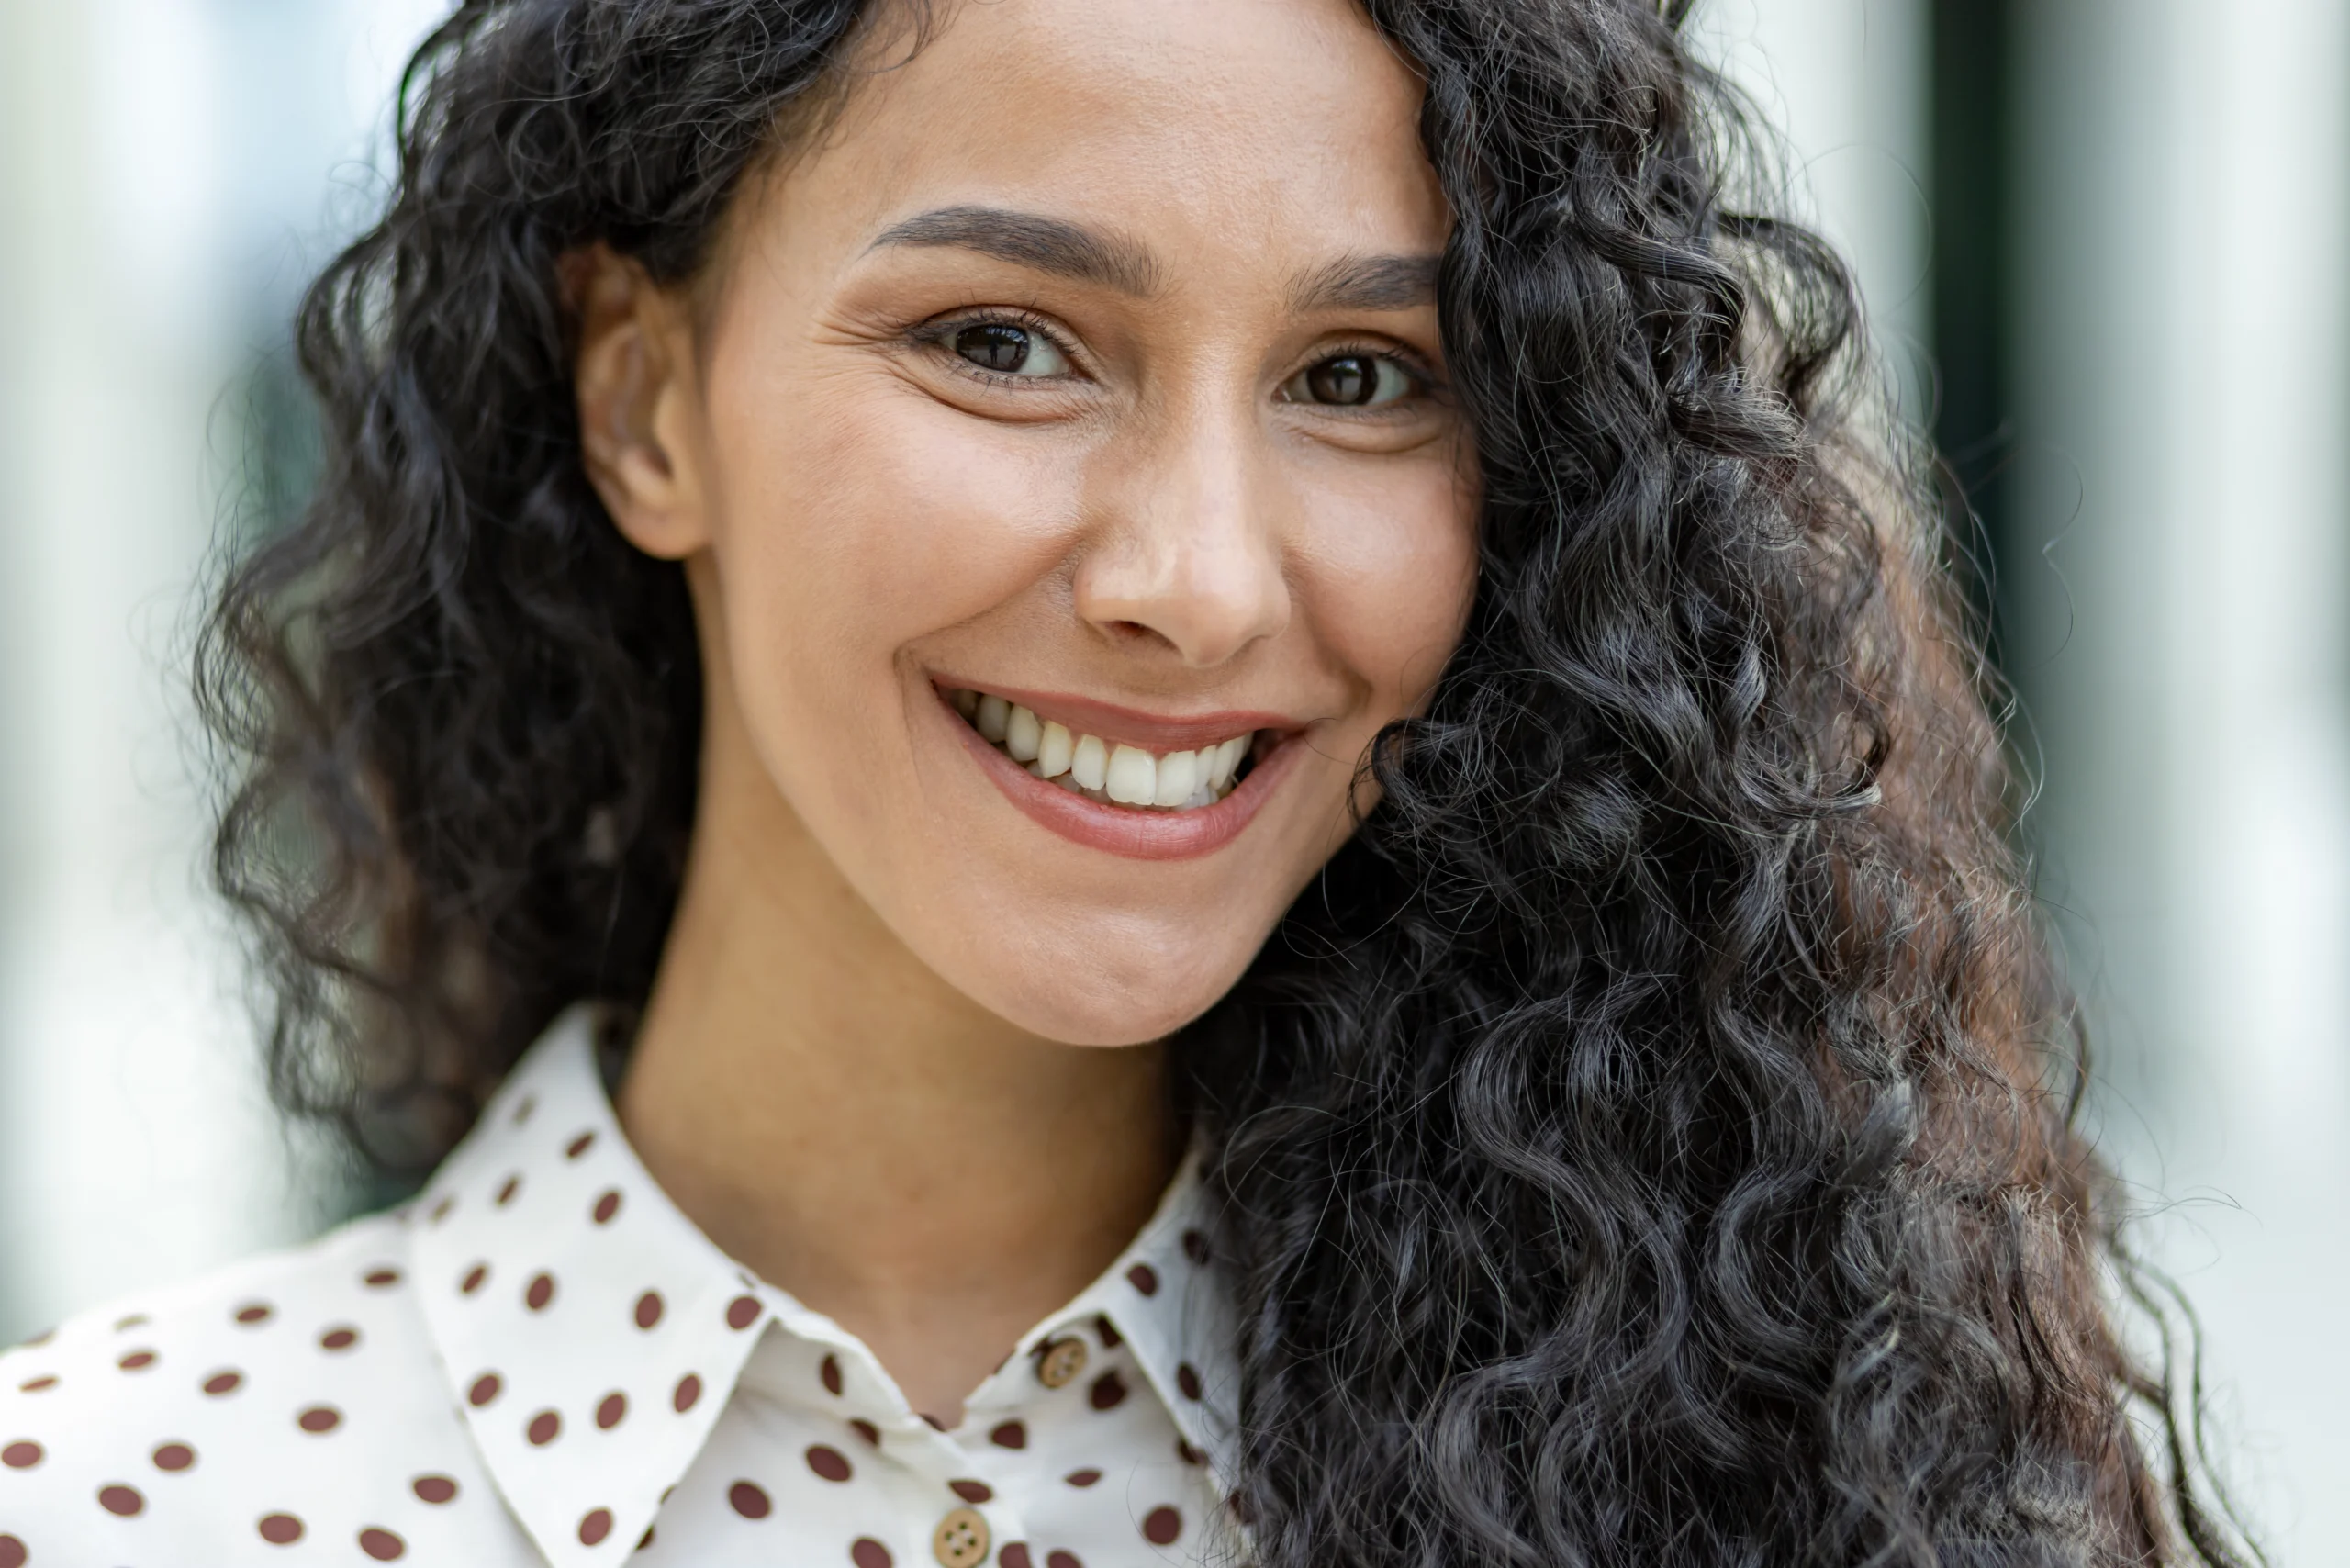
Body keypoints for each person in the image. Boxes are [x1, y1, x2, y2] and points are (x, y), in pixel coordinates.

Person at [0, 0, 2250, 1563]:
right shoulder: (109, 1504)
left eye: (1362, 376)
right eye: (1004, 342)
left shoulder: (1783, 1470)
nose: (1192, 577)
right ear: (643, 397)